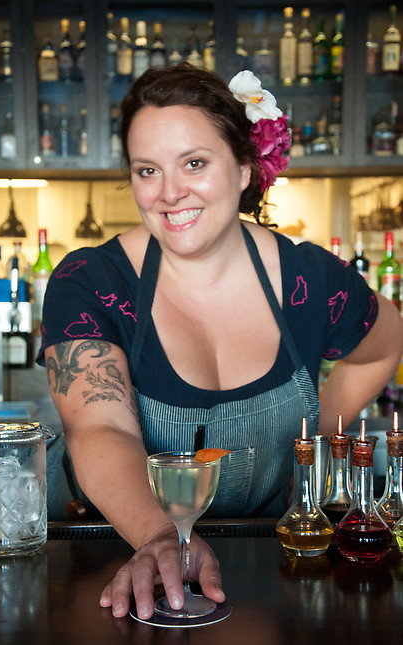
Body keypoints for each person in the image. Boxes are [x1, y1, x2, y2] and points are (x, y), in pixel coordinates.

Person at [38, 63, 403, 620]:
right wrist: (160, 537)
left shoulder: (309, 281)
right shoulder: (91, 282)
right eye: (146, 169)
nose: (168, 193)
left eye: (194, 163)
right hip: (101, 557)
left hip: (265, 564)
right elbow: (100, 426)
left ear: (244, 168)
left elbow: (382, 343)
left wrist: (316, 436)